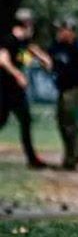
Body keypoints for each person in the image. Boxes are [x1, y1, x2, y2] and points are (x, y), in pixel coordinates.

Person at [37, 19, 78, 170]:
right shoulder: (56, 47)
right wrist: (31, 54)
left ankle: (72, 156)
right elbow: (46, 62)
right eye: (59, 30)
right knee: (63, 123)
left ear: (71, 32)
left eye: (62, 30)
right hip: (63, 88)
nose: (59, 32)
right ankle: (76, 153)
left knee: (68, 118)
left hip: (77, 88)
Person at [0, 9, 49, 168]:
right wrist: (18, 75)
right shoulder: (9, 39)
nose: (32, 27)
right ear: (26, 23)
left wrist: (41, 57)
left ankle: (32, 159)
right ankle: (32, 158)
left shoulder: (24, 44)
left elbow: (25, 57)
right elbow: (3, 60)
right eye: (31, 23)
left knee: (26, 121)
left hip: (16, 92)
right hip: (4, 89)